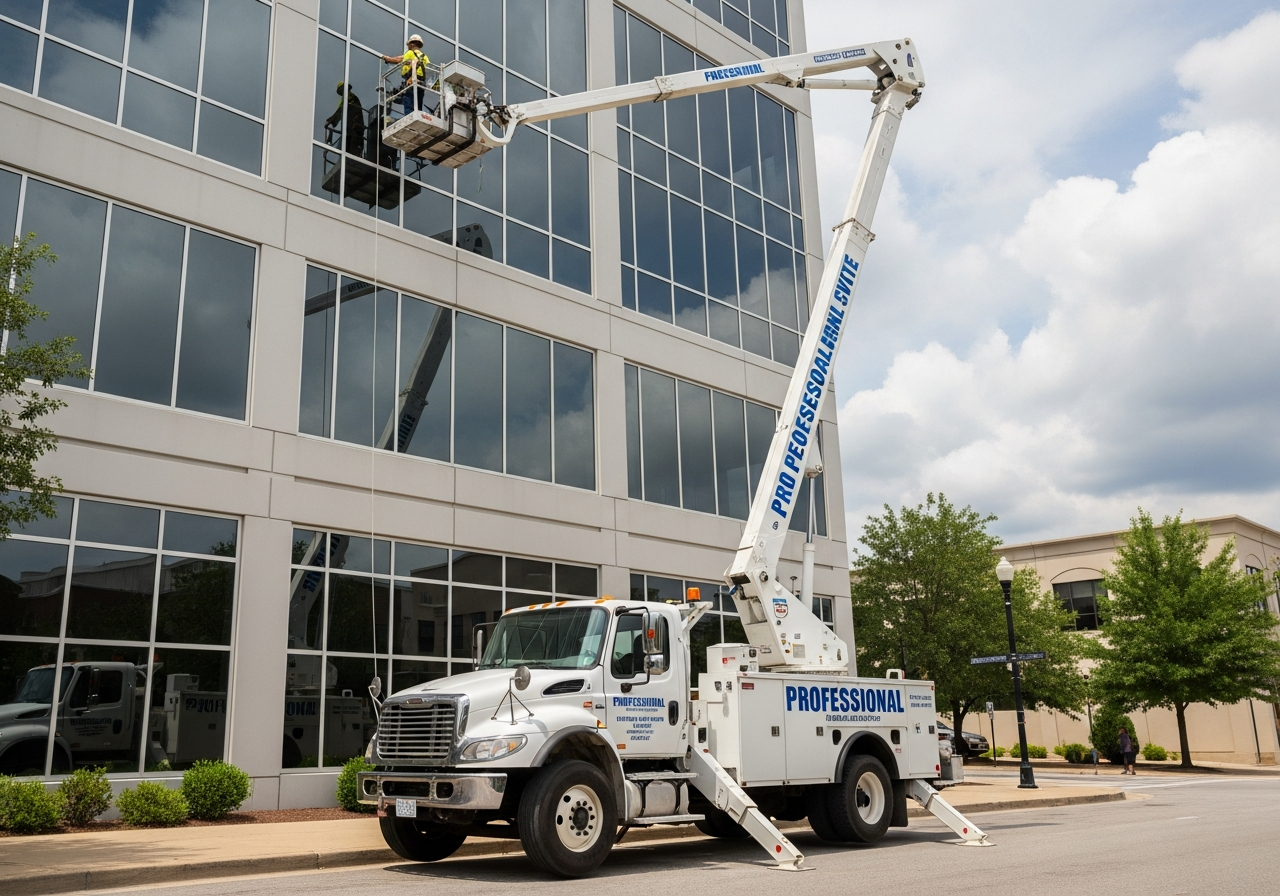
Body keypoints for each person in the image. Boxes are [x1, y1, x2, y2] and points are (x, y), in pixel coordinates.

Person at [382, 35, 429, 116]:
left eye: (409, 44)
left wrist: (389, 59)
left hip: (411, 81)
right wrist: (389, 59)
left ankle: (410, 117)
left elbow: (400, 59)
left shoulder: (410, 53)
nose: (408, 46)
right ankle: (418, 115)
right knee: (418, 103)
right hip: (421, 83)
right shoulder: (424, 56)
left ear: (412, 44)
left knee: (408, 100)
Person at [324, 82, 366, 155]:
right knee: (350, 143)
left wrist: (331, 120)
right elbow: (341, 110)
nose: (342, 91)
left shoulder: (350, 96)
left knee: (353, 141)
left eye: (343, 88)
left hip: (355, 124)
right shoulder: (345, 98)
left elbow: (343, 108)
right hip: (350, 125)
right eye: (341, 90)